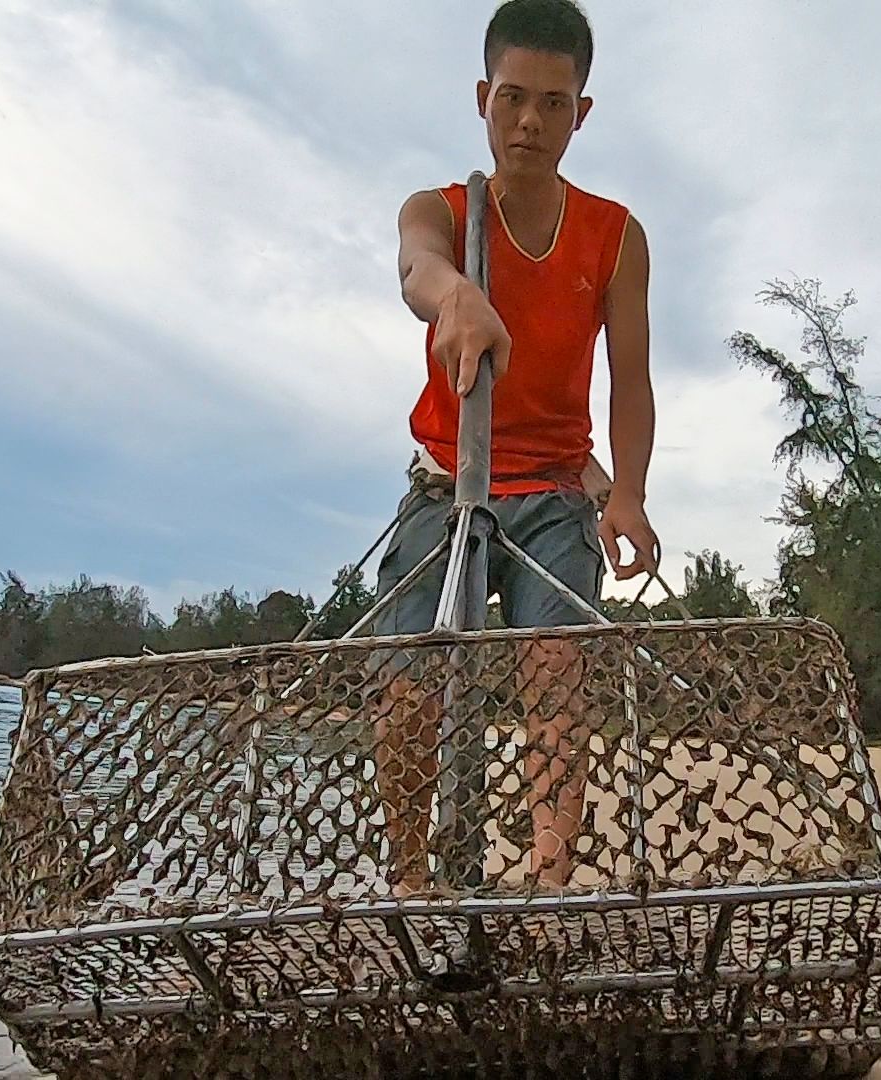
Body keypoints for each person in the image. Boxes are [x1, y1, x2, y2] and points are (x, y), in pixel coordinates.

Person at [372, 0, 659, 894]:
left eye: (553, 102)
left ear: (582, 112)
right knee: (408, 688)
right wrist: (455, 292)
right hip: (444, 484)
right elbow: (416, 264)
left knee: (556, 676)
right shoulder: (443, 209)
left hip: (556, 493)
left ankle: (546, 874)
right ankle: (412, 877)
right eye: (512, 98)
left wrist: (629, 494)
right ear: (483, 97)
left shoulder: (615, 234)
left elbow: (632, 378)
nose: (529, 121)